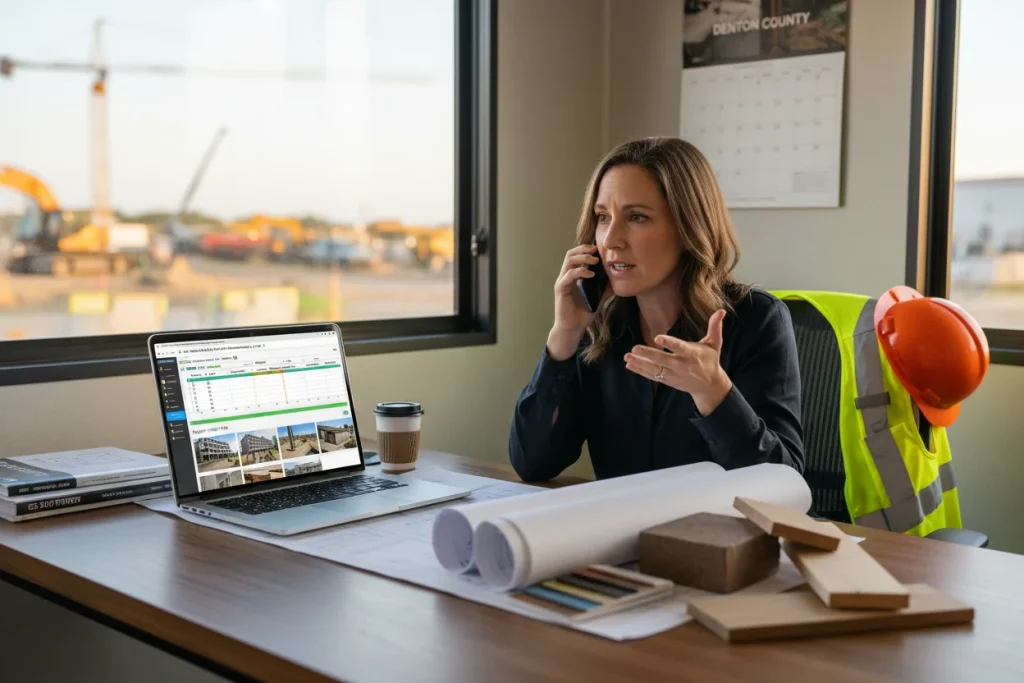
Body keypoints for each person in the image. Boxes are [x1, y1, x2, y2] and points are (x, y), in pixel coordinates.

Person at [509, 136, 804, 482]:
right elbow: (532, 463)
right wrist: (564, 335)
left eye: (636, 217)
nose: (610, 240)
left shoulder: (758, 320)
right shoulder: (600, 324)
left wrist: (713, 392)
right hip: (628, 519)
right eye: (603, 217)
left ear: (688, 227)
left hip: (719, 519)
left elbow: (784, 484)